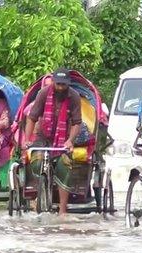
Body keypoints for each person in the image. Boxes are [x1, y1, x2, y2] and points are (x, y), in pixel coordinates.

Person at [23, 68, 82, 215]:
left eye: (64, 85)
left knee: (65, 166)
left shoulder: (74, 97)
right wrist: (26, 140)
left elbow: (76, 123)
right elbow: (32, 118)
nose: (61, 87)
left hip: (64, 140)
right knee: (36, 162)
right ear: (54, 82)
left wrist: (70, 140)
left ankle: (62, 210)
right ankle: (40, 191)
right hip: (43, 138)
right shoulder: (43, 93)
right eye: (58, 84)